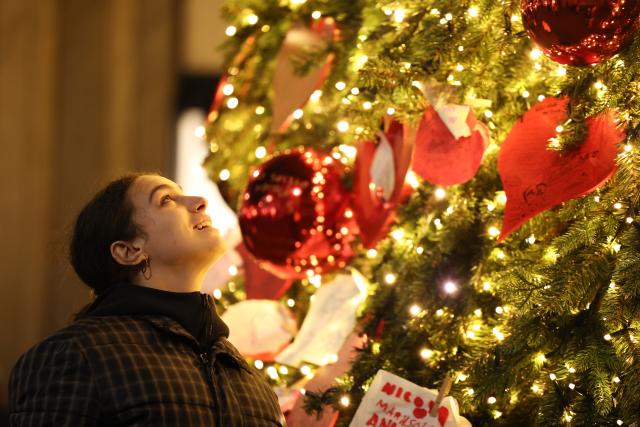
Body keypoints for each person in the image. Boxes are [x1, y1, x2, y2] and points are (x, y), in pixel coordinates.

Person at [9, 172, 287, 426]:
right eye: (166, 200)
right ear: (129, 251)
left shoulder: (247, 377)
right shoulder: (76, 355)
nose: (200, 201)